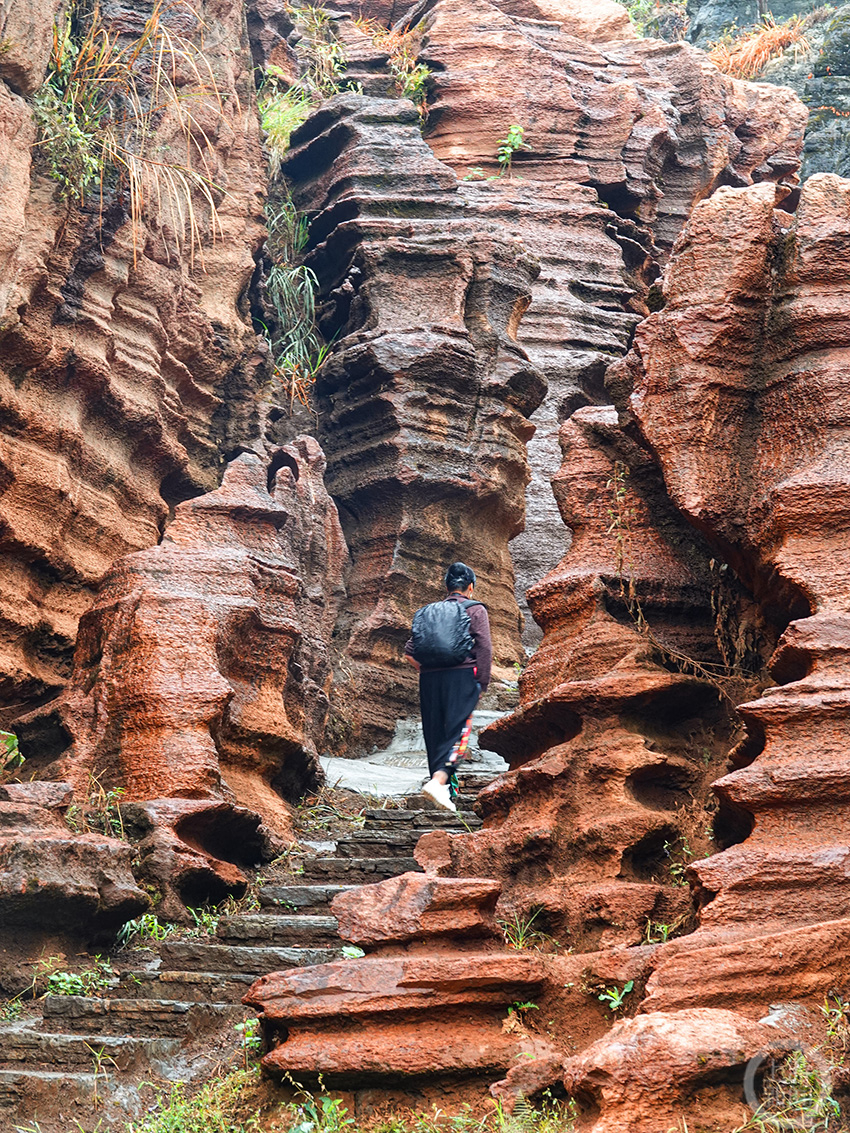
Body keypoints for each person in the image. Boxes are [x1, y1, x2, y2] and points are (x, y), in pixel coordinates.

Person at [404, 562, 492, 812]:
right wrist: (481, 683)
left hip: (430, 679)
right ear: (470, 588)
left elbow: (409, 651)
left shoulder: (430, 612)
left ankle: (441, 791)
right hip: (462, 676)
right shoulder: (475, 610)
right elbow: (484, 647)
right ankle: (439, 782)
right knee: (459, 734)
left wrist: (428, 672)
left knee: (435, 734)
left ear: (446, 587)